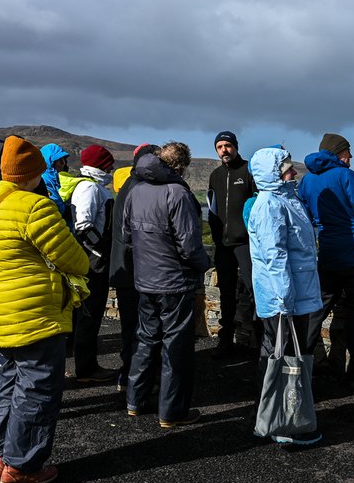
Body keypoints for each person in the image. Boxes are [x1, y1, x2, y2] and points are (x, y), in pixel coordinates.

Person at [0, 135, 89, 483]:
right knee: (38, 389)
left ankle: (1, 458)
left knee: (9, 383)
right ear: (33, 173)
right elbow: (75, 259)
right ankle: (22, 466)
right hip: (34, 313)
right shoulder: (35, 207)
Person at [121, 142, 211, 427]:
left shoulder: (135, 190)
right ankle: (172, 412)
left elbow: (125, 233)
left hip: (145, 279)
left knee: (146, 338)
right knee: (176, 346)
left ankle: (135, 401)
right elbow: (189, 244)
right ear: (181, 165)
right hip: (174, 281)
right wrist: (203, 265)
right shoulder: (178, 193)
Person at [247, 146, 324, 446]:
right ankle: (286, 425)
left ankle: (272, 418)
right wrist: (283, 300)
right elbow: (273, 256)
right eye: (286, 169)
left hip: (296, 293)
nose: (293, 172)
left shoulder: (285, 199)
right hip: (286, 298)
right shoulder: (270, 205)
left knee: (285, 357)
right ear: (272, 174)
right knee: (285, 359)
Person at [297, 132, 354, 391]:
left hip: (327, 254)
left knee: (316, 310)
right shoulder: (346, 175)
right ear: (337, 153)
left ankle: (300, 365)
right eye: (348, 152)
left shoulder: (307, 179)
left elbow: (304, 213)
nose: (351, 157)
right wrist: (352, 220)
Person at [60, 144, 117, 384]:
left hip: (92, 257)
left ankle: (85, 363)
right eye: (109, 164)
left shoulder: (91, 186)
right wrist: (101, 250)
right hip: (94, 260)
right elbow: (83, 226)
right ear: (102, 165)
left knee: (85, 313)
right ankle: (86, 367)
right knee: (89, 313)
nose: (113, 168)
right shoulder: (90, 188)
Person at [108, 143, 159, 392]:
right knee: (140, 328)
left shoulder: (126, 185)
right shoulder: (141, 188)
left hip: (124, 267)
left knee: (130, 326)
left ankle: (127, 375)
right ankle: (136, 380)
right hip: (137, 269)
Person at [206, 130, 258, 357]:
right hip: (223, 245)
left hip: (245, 244)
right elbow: (212, 208)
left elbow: (257, 206)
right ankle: (225, 340)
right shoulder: (216, 175)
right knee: (226, 293)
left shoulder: (248, 170)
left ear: (235, 146)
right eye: (219, 147)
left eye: (227, 145)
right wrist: (217, 236)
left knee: (254, 290)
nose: (224, 150)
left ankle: (259, 342)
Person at [40, 143, 73, 226]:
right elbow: (57, 208)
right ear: (49, 162)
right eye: (60, 161)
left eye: (64, 160)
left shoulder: (58, 179)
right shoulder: (45, 180)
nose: (63, 163)